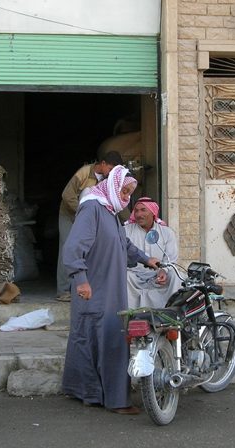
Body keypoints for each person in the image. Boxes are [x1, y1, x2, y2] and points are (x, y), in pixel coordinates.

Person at [61, 165, 160, 414]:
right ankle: (116, 400)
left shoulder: (108, 211)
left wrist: (145, 259)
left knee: (98, 338)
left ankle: (90, 394)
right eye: (124, 191)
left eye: (129, 193)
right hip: (94, 288)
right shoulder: (92, 209)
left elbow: (122, 243)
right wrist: (81, 279)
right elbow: (74, 247)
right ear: (113, 186)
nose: (126, 197)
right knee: (100, 339)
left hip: (110, 289)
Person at [56, 151, 124, 301]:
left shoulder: (109, 178)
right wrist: (82, 214)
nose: (113, 173)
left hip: (90, 218)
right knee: (68, 248)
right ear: (103, 164)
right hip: (70, 216)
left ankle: (82, 288)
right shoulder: (84, 172)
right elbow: (67, 195)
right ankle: (63, 291)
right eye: (111, 168)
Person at [124, 197, 181, 308]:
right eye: (136, 211)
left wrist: (163, 271)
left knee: (175, 276)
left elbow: (171, 259)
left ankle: (171, 315)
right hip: (133, 278)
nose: (139, 214)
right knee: (124, 276)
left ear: (153, 212)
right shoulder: (126, 231)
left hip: (158, 277)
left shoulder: (167, 233)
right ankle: (130, 318)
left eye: (143, 210)